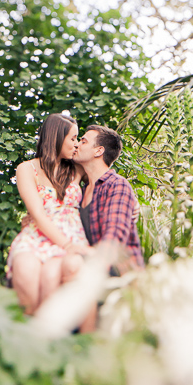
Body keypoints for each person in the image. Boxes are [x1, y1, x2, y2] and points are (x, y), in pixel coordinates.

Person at [61, 124, 144, 331]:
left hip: (118, 277)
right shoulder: (79, 191)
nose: (78, 144)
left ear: (99, 151)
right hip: (89, 269)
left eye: (84, 141)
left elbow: (113, 240)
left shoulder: (117, 185)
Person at [7, 113, 89, 314]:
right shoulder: (27, 169)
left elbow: (104, 173)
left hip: (69, 235)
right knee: (26, 276)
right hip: (37, 234)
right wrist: (67, 245)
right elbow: (37, 213)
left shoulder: (77, 169)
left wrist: (131, 200)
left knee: (50, 286)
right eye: (72, 138)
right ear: (56, 138)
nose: (76, 144)